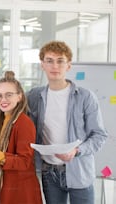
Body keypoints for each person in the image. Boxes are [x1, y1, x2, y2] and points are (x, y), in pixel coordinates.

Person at [27, 40, 108, 204]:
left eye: (60, 61)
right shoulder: (34, 96)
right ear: (42, 64)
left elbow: (99, 135)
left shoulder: (85, 97)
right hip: (49, 171)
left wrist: (77, 150)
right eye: (49, 61)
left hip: (79, 170)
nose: (54, 66)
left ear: (68, 65)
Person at [0, 71, 42, 204]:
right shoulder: (2, 119)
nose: (3, 100)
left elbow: (24, 162)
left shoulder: (24, 123)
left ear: (19, 97)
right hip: (7, 186)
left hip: (21, 191)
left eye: (9, 95)